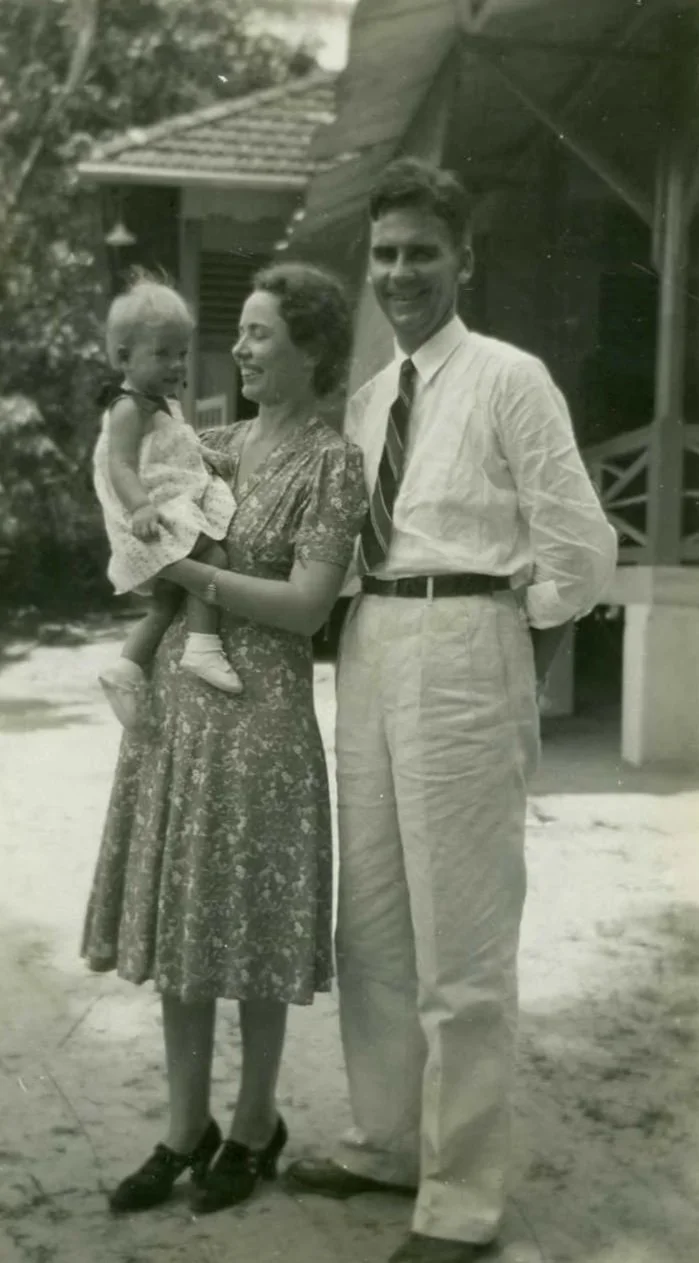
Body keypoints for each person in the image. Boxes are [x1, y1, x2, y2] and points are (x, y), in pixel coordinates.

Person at [286, 159, 618, 1262]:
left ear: (462, 258)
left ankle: (464, 1199)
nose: (400, 272)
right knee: (372, 920)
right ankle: (386, 1142)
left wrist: (514, 640)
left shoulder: (511, 379)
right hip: (373, 642)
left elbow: (580, 546)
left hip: (468, 643)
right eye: (385, 254)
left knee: (462, 936)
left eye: (422, 251)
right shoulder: (373, 395)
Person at [81, 261, 367, 1217]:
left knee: (252, 924)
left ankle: (252, 1123)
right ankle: (182, 1126)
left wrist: (197, 580)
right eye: (238, 332)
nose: (235, 348)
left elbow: (305, 605)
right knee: (186, 926)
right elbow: (130, 483)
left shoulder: (332, 461)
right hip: (179, 712)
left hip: (263, 713)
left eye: (255, 333)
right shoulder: (214, 442)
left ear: (311, 350)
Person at [94, 274, 243, 730]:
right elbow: (120, 465)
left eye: (182, 354)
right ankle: (203, 646)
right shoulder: (127, 408)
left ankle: (126, 667)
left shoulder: (159, 403)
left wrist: (208, 455)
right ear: (123, 357)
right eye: (162, 354)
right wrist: (140, 506)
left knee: (165, 602)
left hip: (163, 504)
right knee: (214, 553)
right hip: (150, 513)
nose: (176, 365)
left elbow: (177, 446)